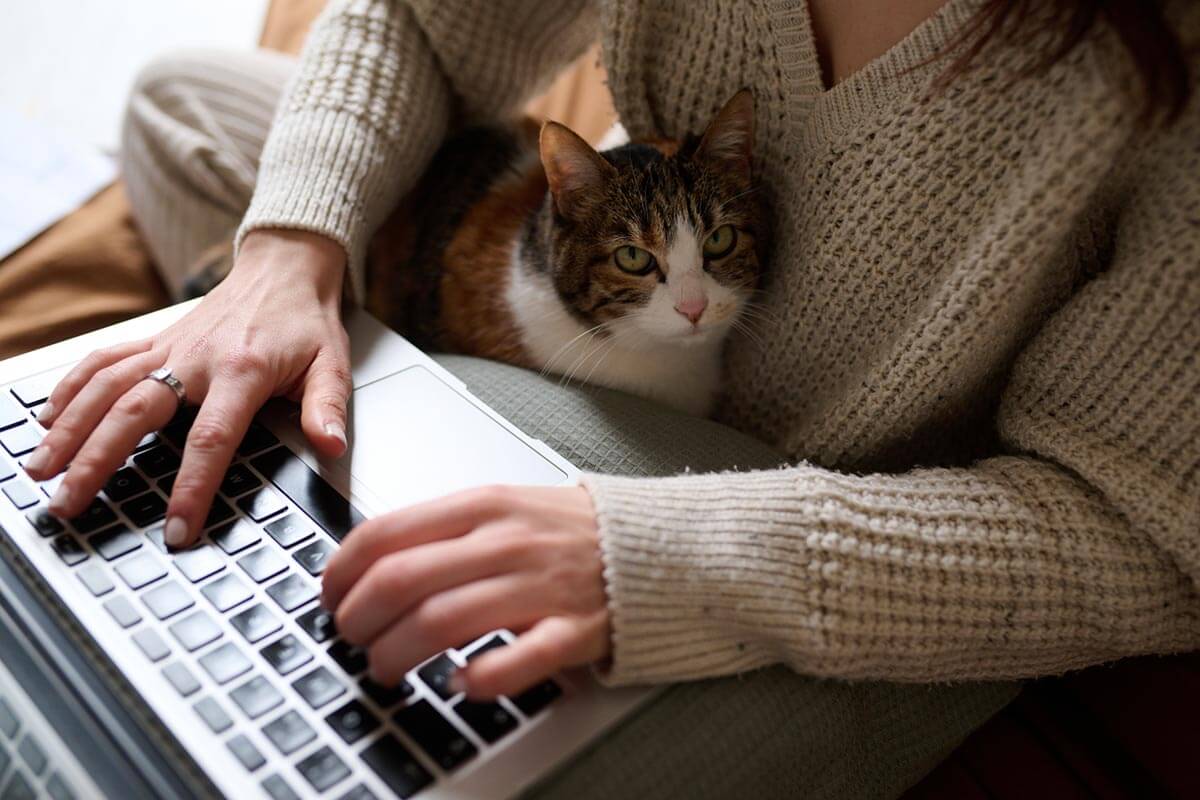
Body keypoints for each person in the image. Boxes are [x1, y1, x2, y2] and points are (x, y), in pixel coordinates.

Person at [20, 0, 1200, 794]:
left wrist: (670, 556)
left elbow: (1143, 534)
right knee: (182, 104)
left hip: (854, 555)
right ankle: (329, 405)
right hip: (593, 335)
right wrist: (284, 258)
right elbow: (417, 22)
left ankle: (344, 429)